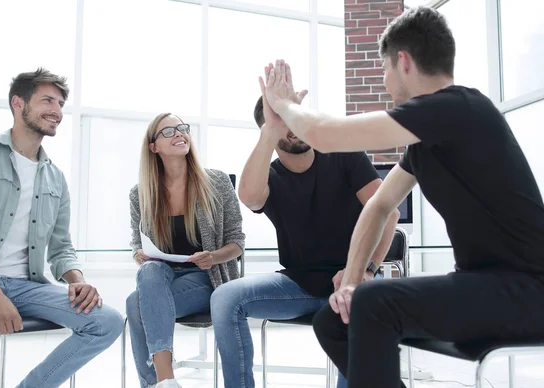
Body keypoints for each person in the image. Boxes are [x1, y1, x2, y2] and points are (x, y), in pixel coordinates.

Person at [260, 6, 544, 388]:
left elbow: (324, 135)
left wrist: (281, 106)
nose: (385, 80)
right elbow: (378, 206)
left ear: (404, 61)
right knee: (333, 319)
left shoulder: (458, 108)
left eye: (384, 69)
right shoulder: (428, 139)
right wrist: (352, 282)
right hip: (485, 287)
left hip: (527, 292)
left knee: (376, 306)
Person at [209, 73, 399, 388]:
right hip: (300, 284)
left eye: (295, 117)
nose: (293, 127)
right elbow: (249, 197)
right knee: (225, 297)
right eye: (282, 120)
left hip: (355, 277)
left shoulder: (344, 156)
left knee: (355, 305)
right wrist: (271, 130)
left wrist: (363, 270)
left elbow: (387, 213)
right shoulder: (268, 176)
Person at [0, 68, 124, 388]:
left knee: (106, 321)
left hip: (26, 285)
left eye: (60, 103)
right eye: (47, 100)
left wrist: (77, 280)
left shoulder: (54, 178)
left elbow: (60, 247)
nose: (56, 111)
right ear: (18, 103)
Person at [126, 112, 245, 388]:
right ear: (153, 147)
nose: (179, 134)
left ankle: (157, 383)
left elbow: (237, 241)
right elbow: (137, 242)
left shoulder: (216, 182)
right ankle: (165, 382)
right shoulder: (140, 193)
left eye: (182, 129)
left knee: (136, 305)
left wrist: (213, 257)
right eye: (168, 131)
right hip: (164, 277)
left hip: (209, 279)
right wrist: (138, 254)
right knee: (150, 270)